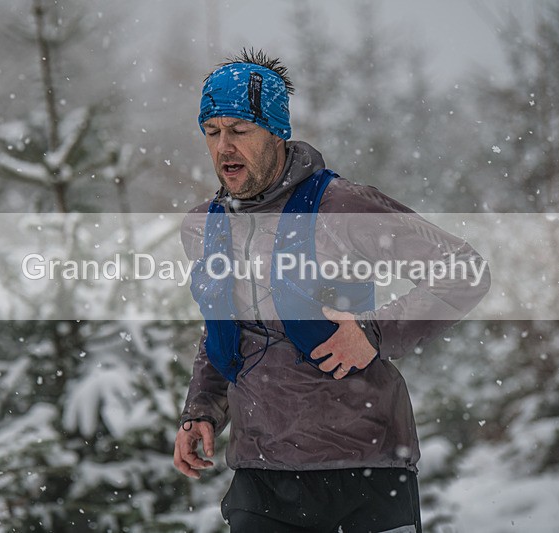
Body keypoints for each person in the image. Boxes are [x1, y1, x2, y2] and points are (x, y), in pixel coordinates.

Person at [173, 49, 490, 533]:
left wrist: (374, 331)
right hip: (261, 478)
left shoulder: (344, 207)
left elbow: (465, 270)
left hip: (366, 468)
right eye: (212, 132)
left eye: (239, 131)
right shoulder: (204, 226)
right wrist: (201, 410)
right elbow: (222, 328)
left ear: (277, 132)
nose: (224, 148)